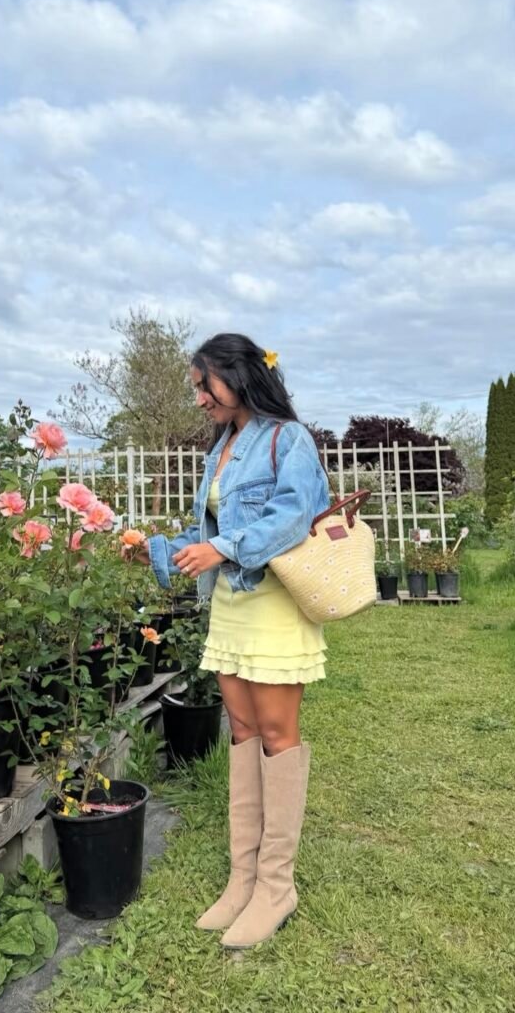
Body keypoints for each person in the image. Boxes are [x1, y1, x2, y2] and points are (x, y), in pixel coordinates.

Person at [135, 332, 329, 949]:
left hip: (273, 604)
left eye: (203, 385)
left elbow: (294, 514)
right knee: (242, 731)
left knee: (276, 734)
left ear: (237, 376)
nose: (198, 399)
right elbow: (213, 528)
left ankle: (278, 886)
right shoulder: (221, 447)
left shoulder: (286, 439)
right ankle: (243, 876)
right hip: (229, 605)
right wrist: (161, 550)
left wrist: (221, 547)